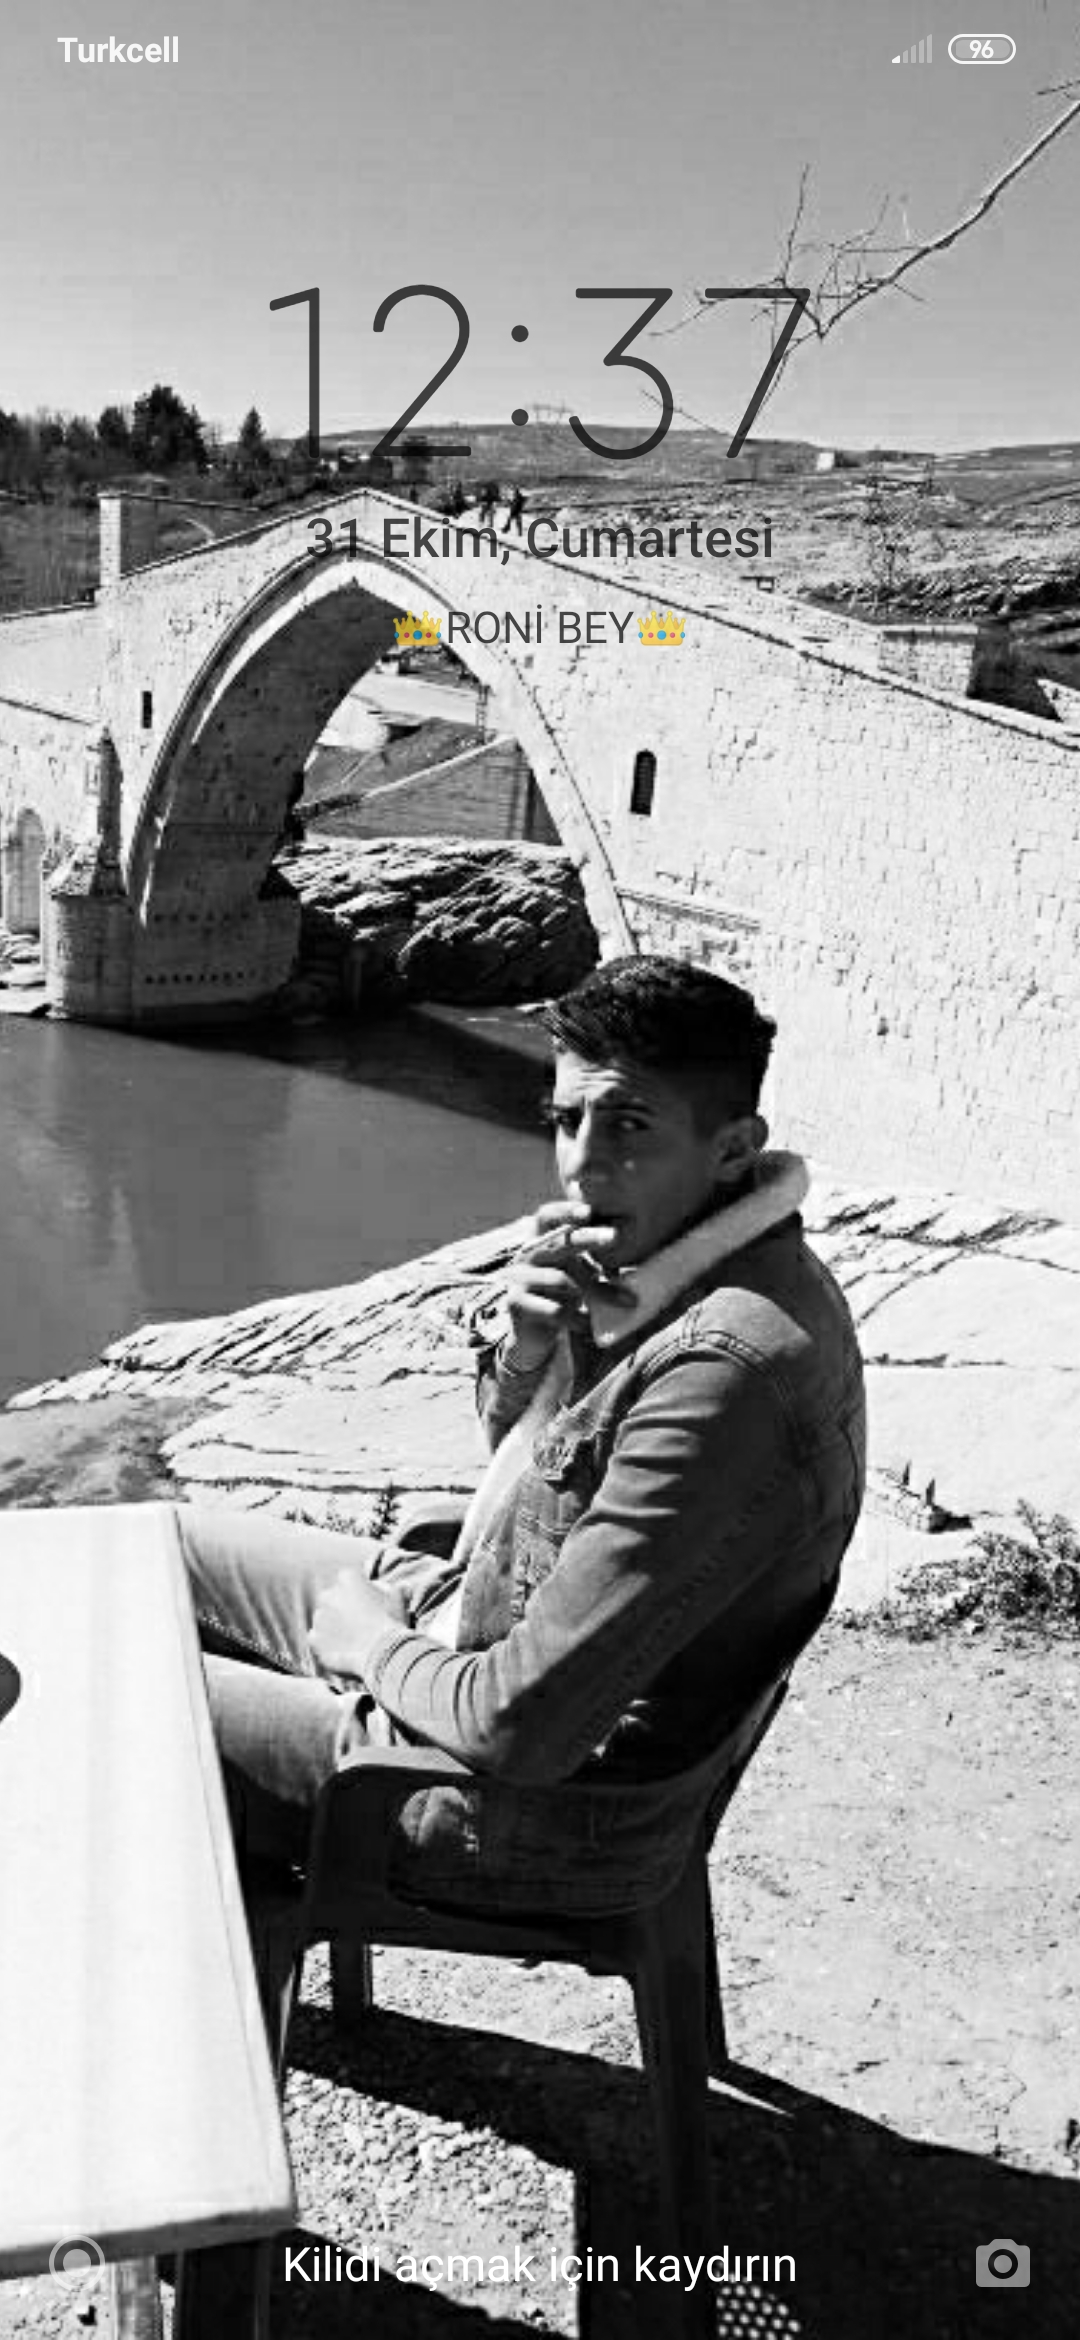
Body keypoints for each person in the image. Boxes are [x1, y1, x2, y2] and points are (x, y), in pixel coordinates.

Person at [179, 955, 865, 1909]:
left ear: (733, 1148)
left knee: (101, 1686)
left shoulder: (724, 1372)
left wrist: (373, 1647)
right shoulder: (689, 1271)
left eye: (629, 1125)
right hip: (469, 1625)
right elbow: (544, 1475)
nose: (582, 1162)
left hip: (487, 1806)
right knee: (148, 1551)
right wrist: (532, 1351)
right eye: (566, 1119)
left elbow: (518, 1729)